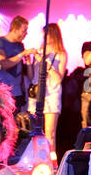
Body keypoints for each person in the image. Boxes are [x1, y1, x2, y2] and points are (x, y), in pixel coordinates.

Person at [28, 22, 67, 153]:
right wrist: (29, 63)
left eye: (47, 34)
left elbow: (58, 79)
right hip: (36, 94)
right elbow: (32, 76)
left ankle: (52, 165)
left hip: (52, 95)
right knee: (34, 130)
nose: (44, 37)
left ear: (53, 35)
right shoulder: (39, 51)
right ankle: (36, 160)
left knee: (50, 133)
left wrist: (46, 64)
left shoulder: (60, 53)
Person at [0, 15, 31, 107]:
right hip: (3, 91)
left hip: (17, 92)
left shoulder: (20, 45)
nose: (26, 34)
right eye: (23, 31)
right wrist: (21, 54)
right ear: (14, 30)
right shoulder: (0, 42)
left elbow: (25, 72)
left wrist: (29, 61)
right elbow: (3, 64)